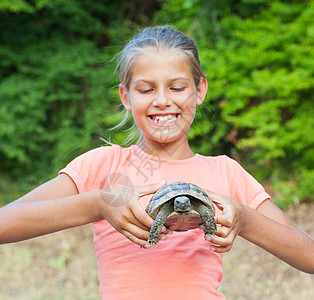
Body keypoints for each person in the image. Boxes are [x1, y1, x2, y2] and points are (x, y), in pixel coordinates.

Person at [0, 25, 313, 300]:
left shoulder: (226, 172)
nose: (162, 100)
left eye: (177, 87)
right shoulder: (105, 165)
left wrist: (245, 218)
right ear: (126, 96)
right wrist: (98, 204)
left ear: (200, 90)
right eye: (146, 89)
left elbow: (309, 257)